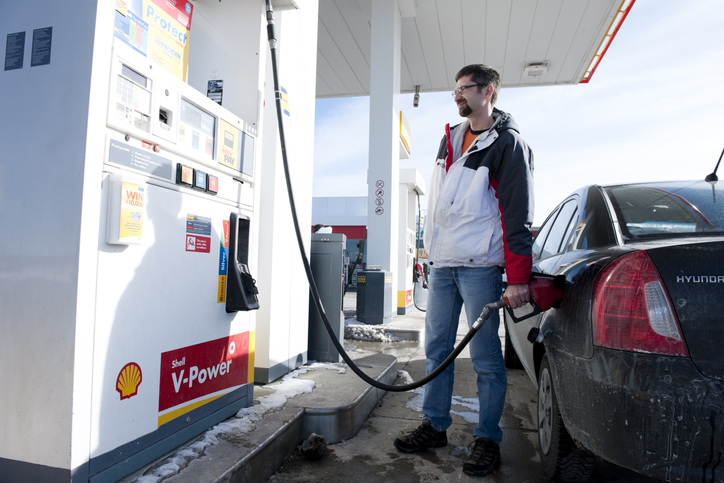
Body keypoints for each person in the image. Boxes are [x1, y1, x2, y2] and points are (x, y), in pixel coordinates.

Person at [393, 64, 534, 477]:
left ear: (488, 91)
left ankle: (487, 438)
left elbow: (517, 213)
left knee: (486, 359)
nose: (457, 95)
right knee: (437, 349)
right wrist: (428, 253)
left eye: (464, 88)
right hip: (442, 265)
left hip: (479, 268)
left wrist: (519, 276)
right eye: (454, 89)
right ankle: (436, 425)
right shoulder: (449, 138)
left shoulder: (508, 144)